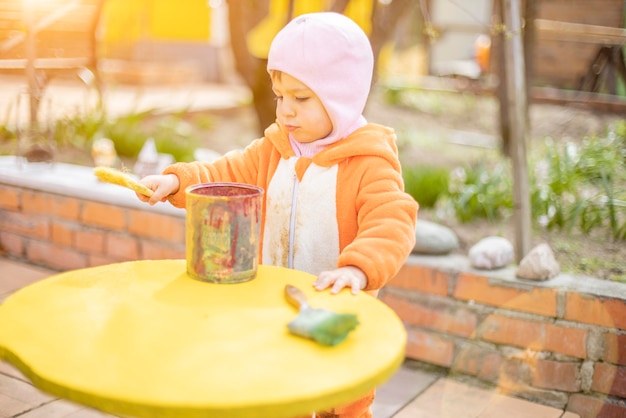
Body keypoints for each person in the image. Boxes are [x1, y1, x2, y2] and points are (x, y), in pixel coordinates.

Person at [136, 12, 418, 417]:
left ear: (341, 95)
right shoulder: (274, 150)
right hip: (277, 302)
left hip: (339, 307)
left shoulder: (369, 163)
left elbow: (392, 221)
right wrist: (179, 182)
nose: (285, 110)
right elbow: (224, 172)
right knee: (279, 389)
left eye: (301, 98)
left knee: (343, 399)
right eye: (280, 96)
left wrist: (357, 269)